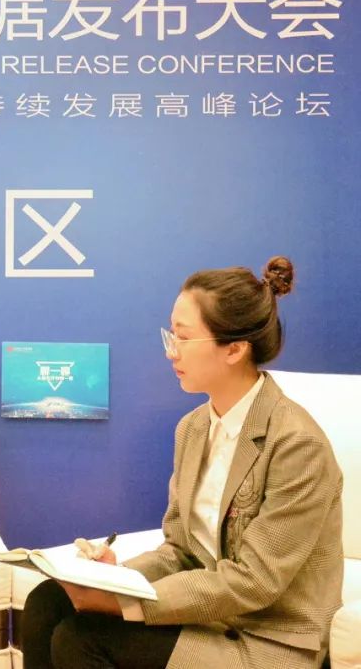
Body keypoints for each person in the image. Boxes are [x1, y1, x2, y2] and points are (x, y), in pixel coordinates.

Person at [22, 256, 343, 668]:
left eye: (184, 338)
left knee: (81, 639)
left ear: (235, 349)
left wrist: (131, 604)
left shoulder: (297, 445)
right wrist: (115, 577)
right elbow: (179, 551)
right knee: (47, 602)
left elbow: (255, 581)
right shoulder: (192, 429)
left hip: (268, 640)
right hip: (209, 623)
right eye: (170, 335)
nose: (171, 351)